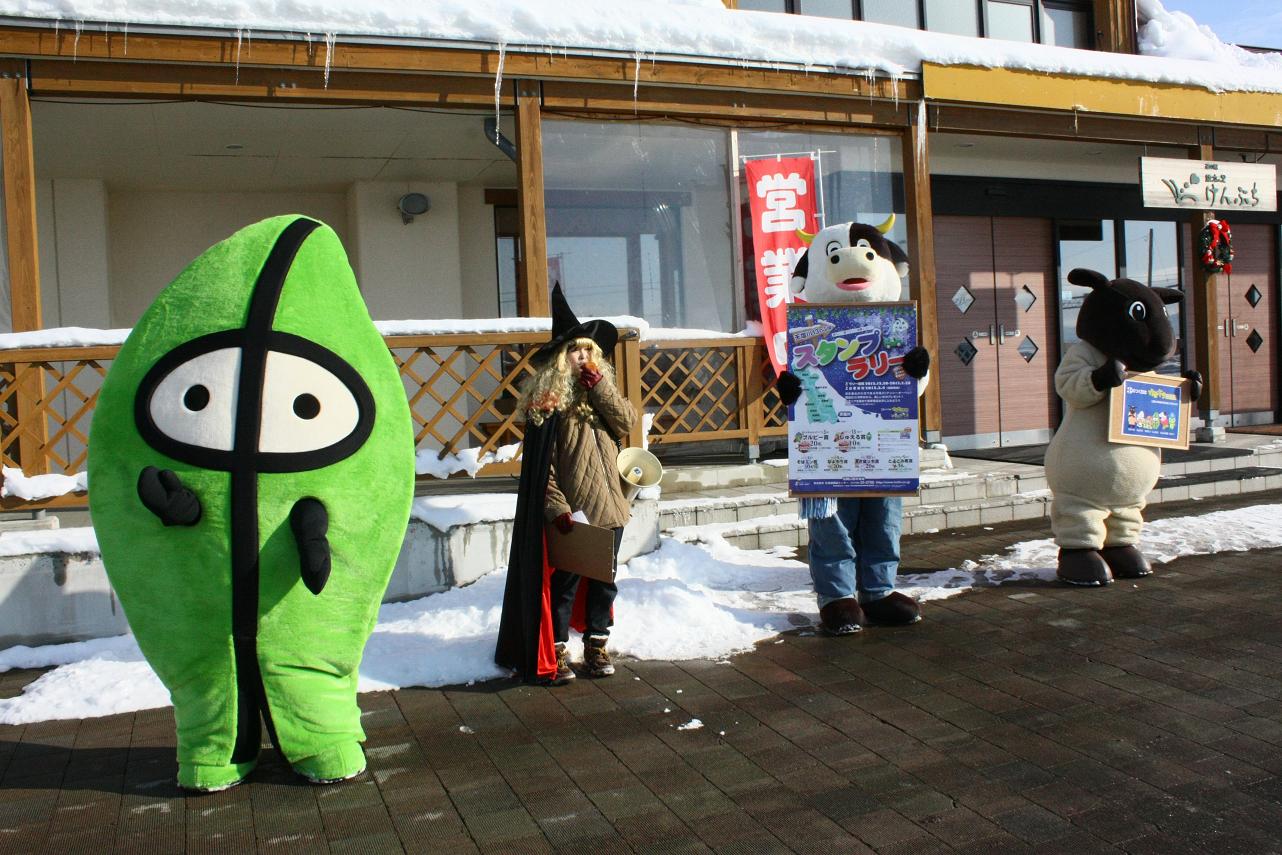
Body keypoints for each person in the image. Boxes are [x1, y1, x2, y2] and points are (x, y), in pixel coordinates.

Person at [495, 284, 636, 684]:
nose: (583, 357)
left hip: (611, 506)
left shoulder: (600, 394)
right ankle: (555, 651)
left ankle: (596, 645)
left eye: (589, 350)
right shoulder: (548, 403)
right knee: (565, 586)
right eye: (575, 350)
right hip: (575, 510)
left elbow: (626, 422)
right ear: (561, 357)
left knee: (604, 583)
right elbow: (544, 469)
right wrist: (557, 508)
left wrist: (601, 387)